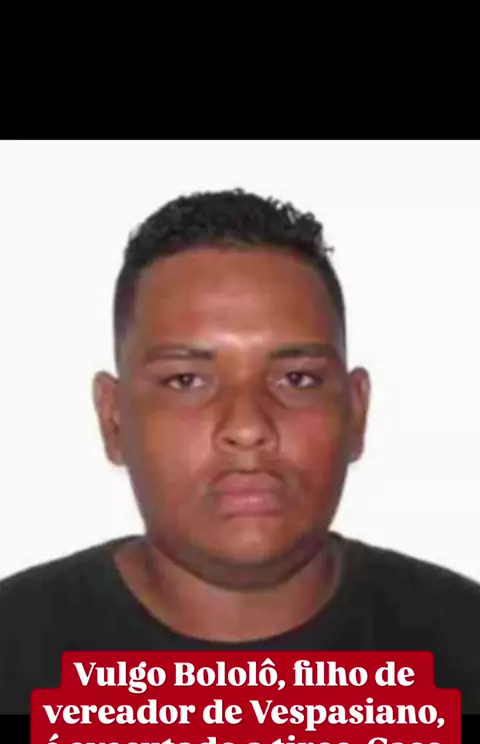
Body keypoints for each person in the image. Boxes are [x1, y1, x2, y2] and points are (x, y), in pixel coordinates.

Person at [1, 188, 479, 715]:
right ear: (113, 419)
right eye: (186, 380)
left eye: (297, 379)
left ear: (355, 412)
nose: (248, 428)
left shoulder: (464, 645)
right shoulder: (15, 651)